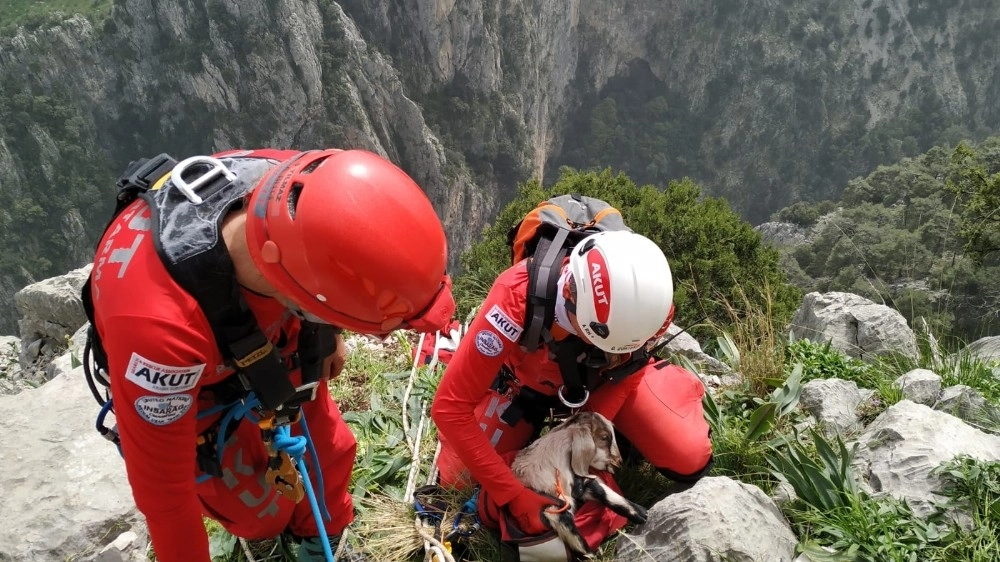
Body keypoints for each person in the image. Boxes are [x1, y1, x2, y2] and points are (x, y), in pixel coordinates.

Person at [86, 148, 455, 562]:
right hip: (203, 384)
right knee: (257, 509)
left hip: (272, 320)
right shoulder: (159, 337)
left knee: (329, 448)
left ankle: (322, 538)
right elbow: (167, 503)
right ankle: (272, 533)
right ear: (306, 297)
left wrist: (329, 332)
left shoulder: (297, 186)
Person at [430, 229, 712, 541]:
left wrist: (581, 442)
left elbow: (629, 370)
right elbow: (450, 408)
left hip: (606, 383)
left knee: (687, 455)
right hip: (525, 386)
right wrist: (513, 494)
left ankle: (653, 407)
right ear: (573, 302)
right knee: (459, 478)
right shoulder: (516, 297)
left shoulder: (645, 308)